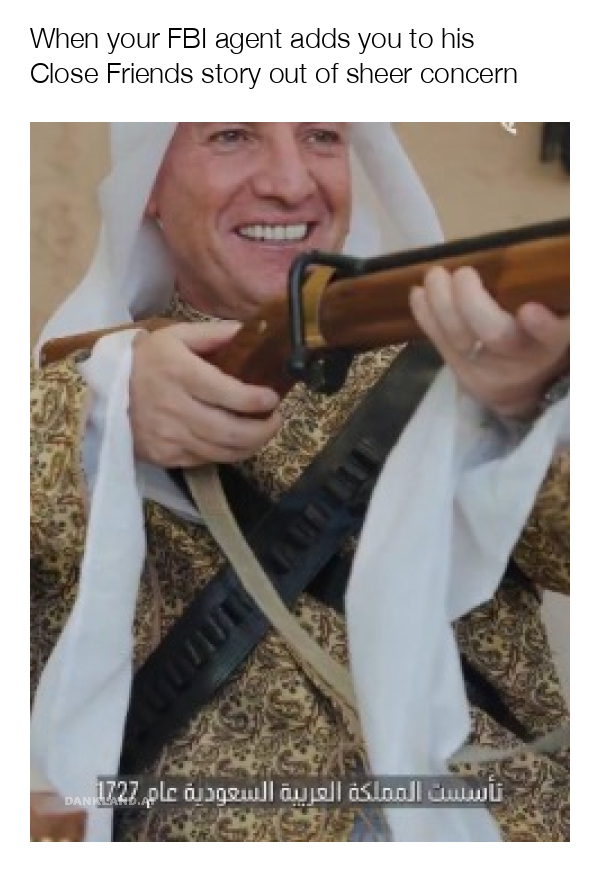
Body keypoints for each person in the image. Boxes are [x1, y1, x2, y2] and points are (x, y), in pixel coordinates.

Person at [31, 123, 569, 842]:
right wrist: (98, 417)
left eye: (321, 135)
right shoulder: (74, 389)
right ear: (150, 183)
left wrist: (531, 413)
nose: (290, 183)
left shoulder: (474, 361)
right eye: (232, 137)